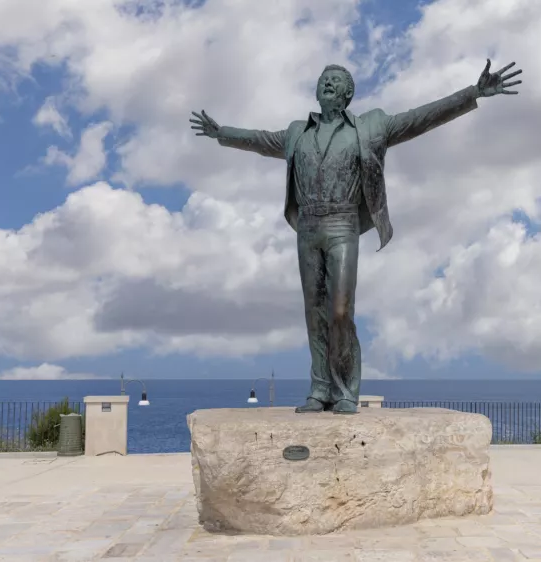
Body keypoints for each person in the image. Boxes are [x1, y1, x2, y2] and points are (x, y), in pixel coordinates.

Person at [190, 59, 522, 414]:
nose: (328, 84)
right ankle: (320, 389)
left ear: (348, 94)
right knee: (313, 313)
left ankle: (346, 389)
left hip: (342, 225)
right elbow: (259, 140)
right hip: (307, 228)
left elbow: (421, 118)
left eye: (336, 81)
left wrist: (473, 93)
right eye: (324, 80)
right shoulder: (296, 133)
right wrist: (220, 132)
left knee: (339, 310)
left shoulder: (370, 127)